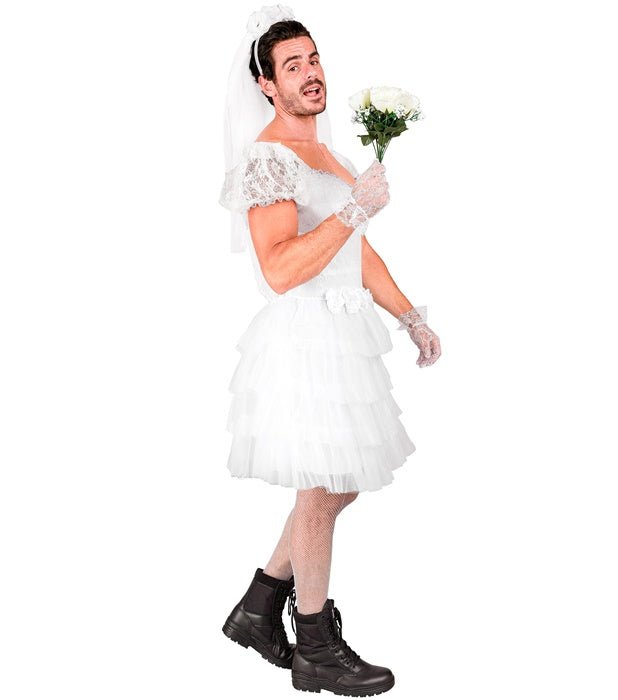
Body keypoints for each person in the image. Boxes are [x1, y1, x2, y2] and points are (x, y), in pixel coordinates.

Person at [218, 5, 441, 696]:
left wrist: (410, 315)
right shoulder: (267, 159)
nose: (310, 73)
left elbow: (356, 252)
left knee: (340, 481)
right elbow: (281, 268)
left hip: (346, 337)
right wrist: (351, 210)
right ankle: (314, 645)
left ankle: (260, 605)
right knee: (320, 490)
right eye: (292, 66)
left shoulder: (334, 156)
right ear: (266, 84)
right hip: (306, 341)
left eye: (313, 59)